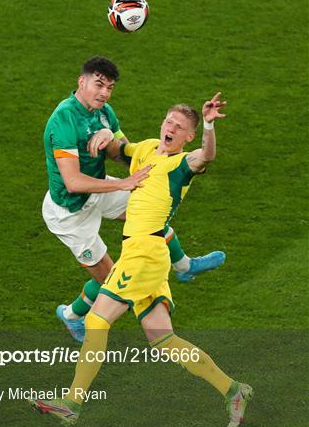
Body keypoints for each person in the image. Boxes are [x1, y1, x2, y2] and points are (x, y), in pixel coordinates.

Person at [31, 92, 253, 427]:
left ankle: (72, 403)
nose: (170, 128)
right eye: (168, 121)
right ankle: (233, 389)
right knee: (164, 340)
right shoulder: (148, 148)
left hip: (142, 256)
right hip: (148, 255)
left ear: (187, 136)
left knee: (98, 321)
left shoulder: (182, 165)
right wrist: (107, 138)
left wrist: (208, 125)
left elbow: (206, 156)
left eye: (179, 127)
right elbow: (123, 150)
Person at [43, 56, 225, 343]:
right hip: (70, 211)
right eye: (98, 84)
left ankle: (184, 266)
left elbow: (122, 153)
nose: (104, 93)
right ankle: (71, 315)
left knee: (150, 214)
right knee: (111, 278)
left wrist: (107, 135)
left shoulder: (104, 113)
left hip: (99, 191)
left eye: (110, 87)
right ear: (82, 82)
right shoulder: (63, 120)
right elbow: (73, 182)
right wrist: (126, 184)